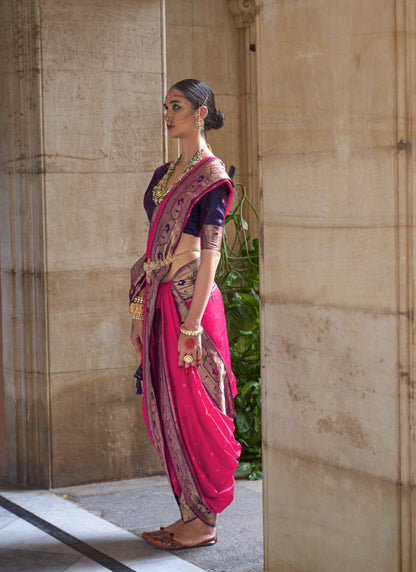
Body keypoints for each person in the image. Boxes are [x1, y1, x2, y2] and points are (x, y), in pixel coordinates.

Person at [129, 79, 241, 550]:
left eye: (176, 106)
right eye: (166, 106)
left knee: (197, 405)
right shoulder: (163, 175)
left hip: (192, 301)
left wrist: (192, 325)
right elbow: (154, 248)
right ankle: (187, 515)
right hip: (158, 300)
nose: (168, 114)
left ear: (201, 112)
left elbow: (210, 255)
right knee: (168, 404)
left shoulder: (211, 177)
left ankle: (204, 522)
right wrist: (138, 309)